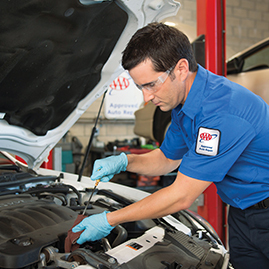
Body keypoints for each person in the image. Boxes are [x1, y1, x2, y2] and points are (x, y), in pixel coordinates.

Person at [72, 22, 269, 268]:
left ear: (182, 68)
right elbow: (167, 159)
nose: (146, 97)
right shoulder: (182, 103)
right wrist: (126, 161)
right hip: (242, 213)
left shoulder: (222, 111)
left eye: (151, 84)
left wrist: (109, 220)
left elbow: (181, 197)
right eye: (139, 86)